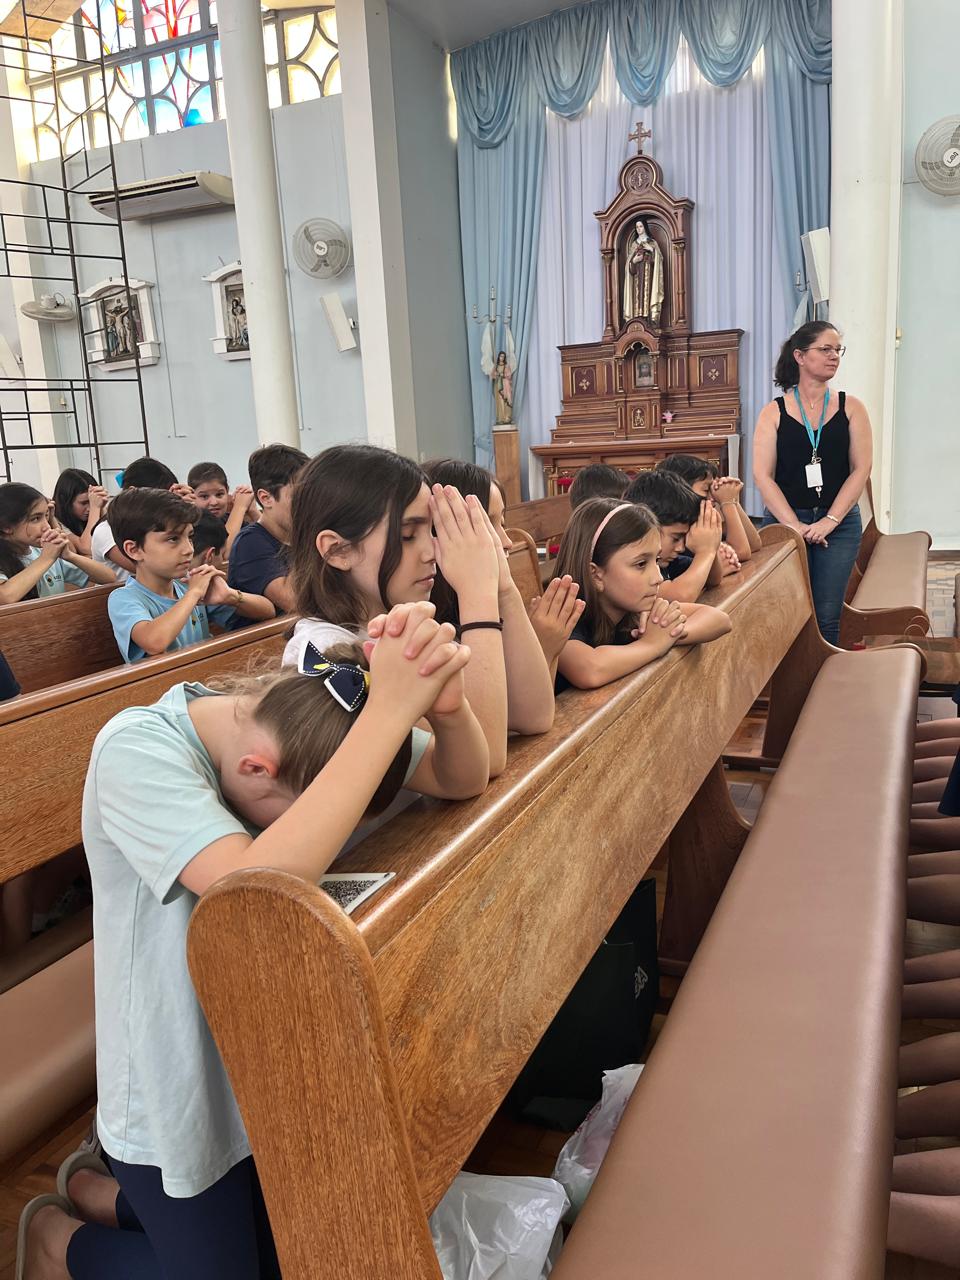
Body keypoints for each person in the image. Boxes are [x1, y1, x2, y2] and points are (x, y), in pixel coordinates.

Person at [15, 601, 488, 1280]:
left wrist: (445, 708)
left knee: (291, 1256)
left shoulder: (316, 717)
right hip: (178, 1086)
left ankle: (108, 1199)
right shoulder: (136, 748)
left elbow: (462, 776)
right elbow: (248, 890)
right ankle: (59, 1243)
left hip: (266, 1060)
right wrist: (389, 712)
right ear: (257, 770)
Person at [287, 444, 514, 774]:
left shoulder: (405, 623)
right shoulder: (322, 653)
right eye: (408, 535)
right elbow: (487, 760)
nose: (431, 552)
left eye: (431, 531)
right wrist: (478, 594)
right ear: (338, 551)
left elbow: (530, 717)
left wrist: (503, 589)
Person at [752, 322, 873, 646]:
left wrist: (829, 520)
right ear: (800, 356)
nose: (834, 356)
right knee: (785, 613)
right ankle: (792, 678)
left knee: (826, 615)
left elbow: (861, 469)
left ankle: (825, 676)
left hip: (839, 525)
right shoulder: (773, 412)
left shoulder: (851, 407)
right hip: (785, 522)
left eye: (838, 350)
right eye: (825, 349)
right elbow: (763, 475)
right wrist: (795, 526)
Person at [422, 458, 562, 735]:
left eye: (502, 524)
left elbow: (535, 717)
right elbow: (487, 741)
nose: (506, 542)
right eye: (487, 526)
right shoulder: (426, 630)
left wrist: (506, 590)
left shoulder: (481, 604)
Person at [552, 499, 731, 692]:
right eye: (640, 564)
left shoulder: (637, 609)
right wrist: (652, 644)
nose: (658, 578)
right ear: (595, 575)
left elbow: (719, 619)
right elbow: (590, 670)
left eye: (657, 560)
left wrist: (667, 635)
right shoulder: (562, 616)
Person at [106, 488, 274, 663]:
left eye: (190, 537)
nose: (189, 549)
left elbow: (268, 611)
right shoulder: (124, 598)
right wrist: (193, 594)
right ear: (134, 550)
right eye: (173, 539)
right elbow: (154, 642)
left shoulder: (187, 585)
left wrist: (230, 596)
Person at [623, 471, 736, 602]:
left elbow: (713, 580)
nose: (681, 548)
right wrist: (706, 552)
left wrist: (711, 546)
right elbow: (680, 596)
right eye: (676, 538)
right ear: (648, 525)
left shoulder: (668, 562)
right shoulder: (637, 565)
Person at [0, 482, 115, 605]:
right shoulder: (45, 556)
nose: (46, 526)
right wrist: (46, 558)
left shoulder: (44, 552)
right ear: (6, 526)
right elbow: (5, 597)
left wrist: (70, 555)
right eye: (35, 519)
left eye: (46, 516)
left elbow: (110, 578)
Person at [227, 444, 307, 619]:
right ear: (266, 498)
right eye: (299, 497)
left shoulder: (297, 537)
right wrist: (309, 535)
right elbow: (295, 602)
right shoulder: (250, 543)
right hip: (268, 636)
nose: (308, 504)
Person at [91, 457, 185, 583]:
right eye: (158, 499)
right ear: (132, 492)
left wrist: (190, 511)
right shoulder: (105, 531)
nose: (164, 506)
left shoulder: (154, 525)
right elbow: (145, 567)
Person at [655, 454, 759, 563]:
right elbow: (741, 552)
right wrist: (727, 502)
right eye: (706, 490)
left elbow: (753, 545)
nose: (713, 496)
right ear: (683, 491)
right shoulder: (683, 531)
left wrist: (733, 500)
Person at [188, 462, 257, 560]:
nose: (214, 502)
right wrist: (239, 507)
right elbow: (224, 554)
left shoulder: (232, 519)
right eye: (204, 496)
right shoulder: (194, 526)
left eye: (219, 494)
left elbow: (272, 538)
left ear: (227, 491)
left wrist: (253, 511)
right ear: (191, 495)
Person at [52, 469, 109, 557]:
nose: (89, 508)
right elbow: (87, 548)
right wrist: (95, 508)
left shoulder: (97, 509)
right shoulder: (55, 520)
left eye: (92, 501)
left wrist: (102, 508)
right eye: (84, 503)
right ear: (65, 501)